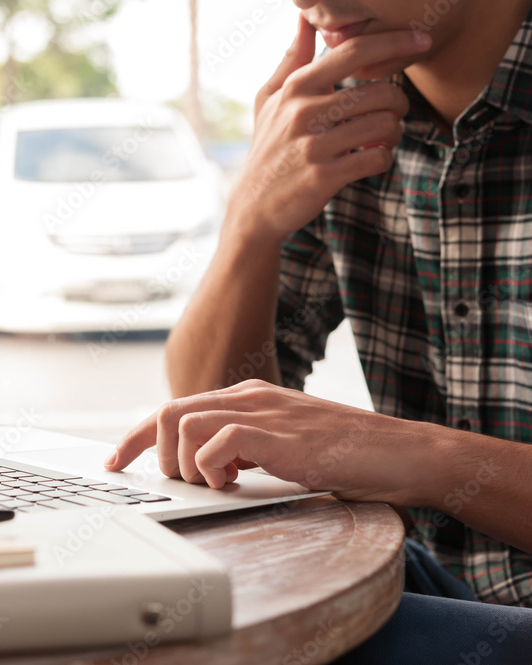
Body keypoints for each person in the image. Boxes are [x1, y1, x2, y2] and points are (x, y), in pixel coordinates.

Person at [103, 0, 532, 660]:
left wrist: (417, 458)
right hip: (431, 582)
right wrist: (251, 220)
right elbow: (211, 420)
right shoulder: (341, 117)